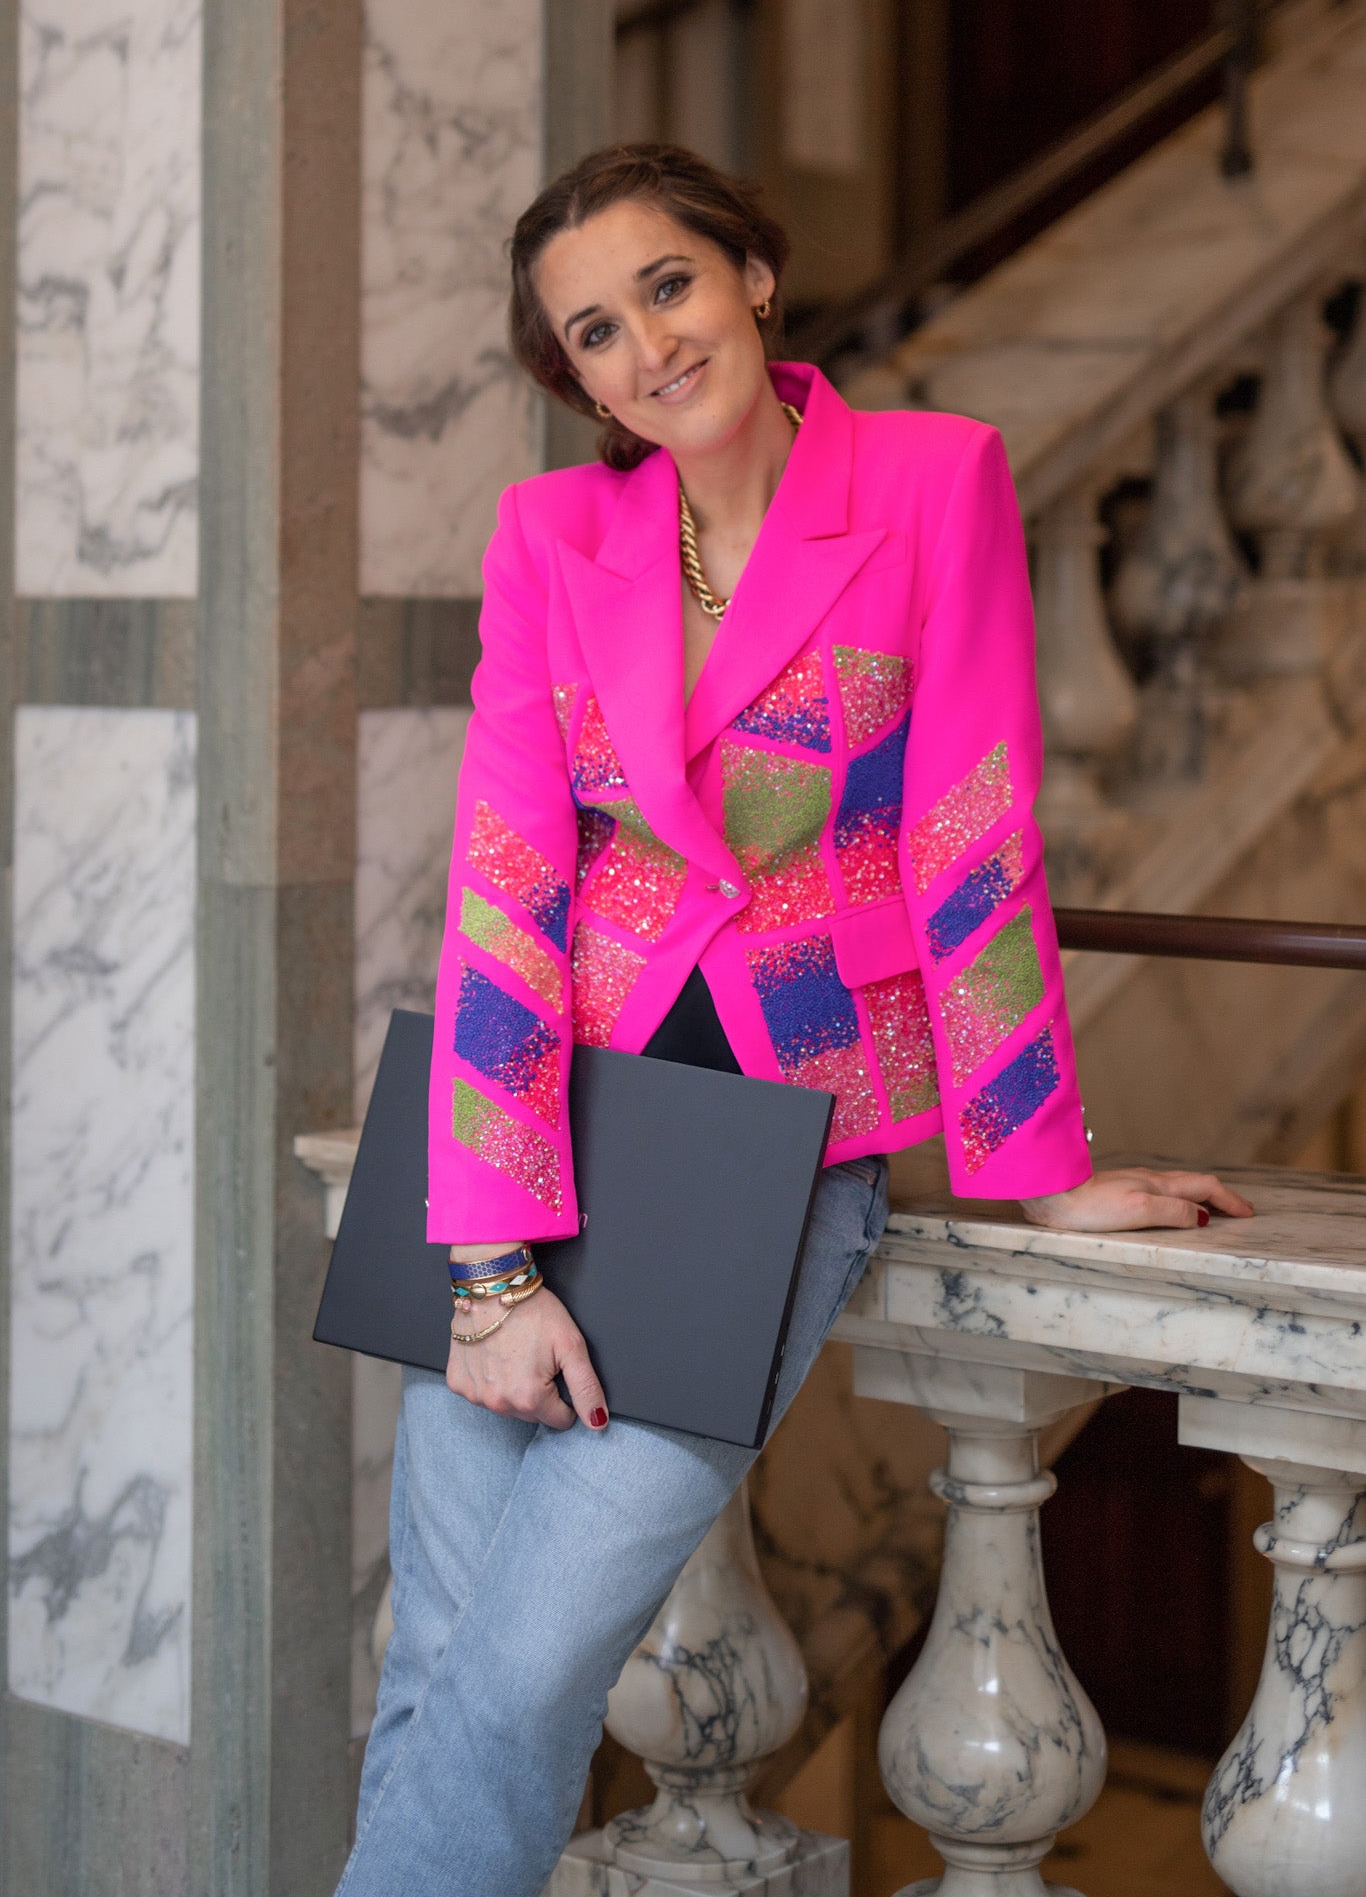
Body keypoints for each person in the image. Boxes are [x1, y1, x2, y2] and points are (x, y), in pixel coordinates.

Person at [335, 143, 1252, 1896]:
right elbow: (507, 876)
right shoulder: (554, 533)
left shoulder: (928, 483)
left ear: (754, 275)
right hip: (536, 1140)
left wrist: (1026, 1164)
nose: (644, 348)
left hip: (769, 1152)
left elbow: (968, 826)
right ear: (572, 375)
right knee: (442, 1663)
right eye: (592, 332)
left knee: (521, 1674)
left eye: (666, 287)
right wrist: (491, 1264)